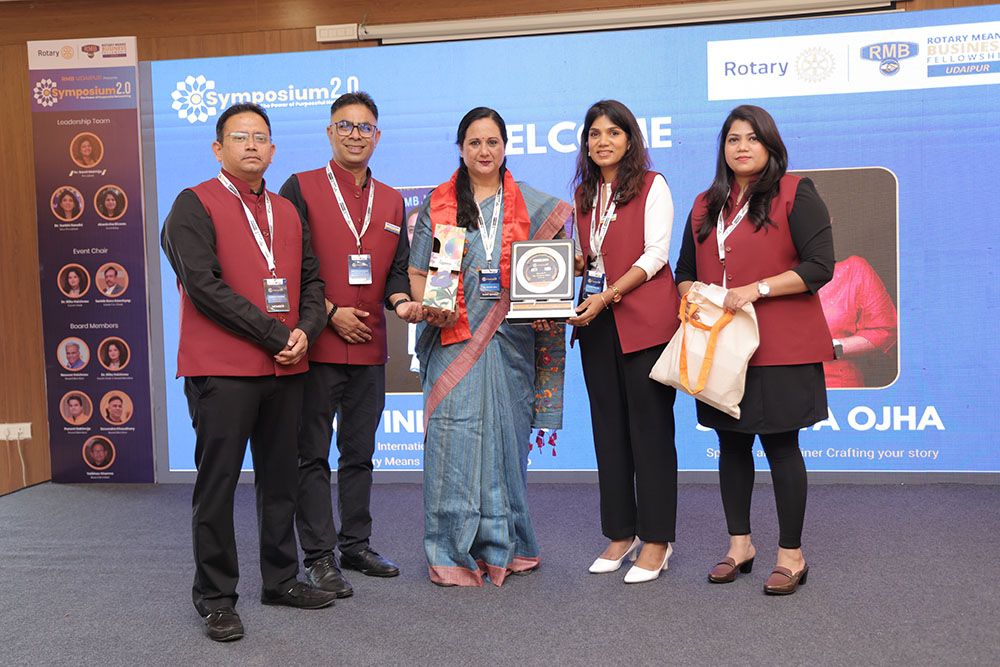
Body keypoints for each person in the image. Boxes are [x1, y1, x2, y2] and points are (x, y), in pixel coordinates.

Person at [161, 102, 336, 642]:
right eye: (240, 137)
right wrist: (275, 335)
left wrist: (305, 330)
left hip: (287, 368)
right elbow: (204, 288)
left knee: (281, 480)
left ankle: (280, 579)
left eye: (261, 137)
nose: (252, 145)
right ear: (219, 148)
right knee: (217, 487)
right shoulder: (192, 204)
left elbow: (312, 282)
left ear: (273, 149)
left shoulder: (286, 210)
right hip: (223, 371)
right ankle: (216, 599)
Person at [675, 105, 834, 595]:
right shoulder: (705, 204)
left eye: (752, 138)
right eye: (732, 139)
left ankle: (791, 555)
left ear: (770, 146)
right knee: (731, 446)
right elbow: (683, 270)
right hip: (721, 347)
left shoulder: (795, 193)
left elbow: (820, 266)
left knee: (782, 447)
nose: (741, 147)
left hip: (781, 346)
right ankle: (739, 545)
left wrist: (757, 289)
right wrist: (691, 296)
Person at [408, 107, 571, 587]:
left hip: (510, 345)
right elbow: (419, 274)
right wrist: (431, 306)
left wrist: (566, 269)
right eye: (474, 142)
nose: (484, 150)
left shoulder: (534, 206)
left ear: (505, 147)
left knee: (503, 446)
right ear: (461, 149)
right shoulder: (440, 205)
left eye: (492, 142)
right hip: (453, 338)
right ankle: (449, 551)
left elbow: (555, 266)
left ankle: (505, 547)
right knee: (450, 447)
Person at [280, 92, 420, 596]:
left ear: (377, 136)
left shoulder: (392, 199)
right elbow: (286, 264)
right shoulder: (299, 187)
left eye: (364, 127)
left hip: (370, 348)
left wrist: (402, 302)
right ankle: (319, 557)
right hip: (317, 346)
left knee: (359, 454)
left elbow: (397, 270)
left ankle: (355, 545)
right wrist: (330, 313)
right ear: (329, 132)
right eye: (345, 125)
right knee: (311, 456)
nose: (355, 134)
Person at [566, 100, 680, 584]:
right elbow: (589, 256)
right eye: (594, 133)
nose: (603, 141)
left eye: (613, 132)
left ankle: (656, 540)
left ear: (630, 139)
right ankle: (620, 533)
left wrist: (608, 294)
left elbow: (656, 256)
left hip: (645, 324)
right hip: (596, 325)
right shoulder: (584, 194)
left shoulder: (653, 185)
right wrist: (570, 264)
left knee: (650, 433)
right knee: (608, 431)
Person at [819, 255, 897, 388]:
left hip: (837, 388)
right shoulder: (779, 278)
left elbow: (884, 331)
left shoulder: (853, 270)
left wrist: (831, 347)